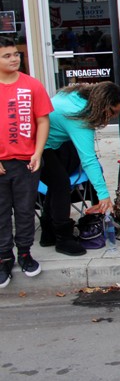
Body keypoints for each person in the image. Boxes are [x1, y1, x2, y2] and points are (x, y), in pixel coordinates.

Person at [40, 82, 120, 256]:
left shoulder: (76, 95)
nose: (111, 119)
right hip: (38, 147)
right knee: (61, 185)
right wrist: (103, 195)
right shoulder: (79, 118)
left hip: (51, 144)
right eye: (112, 113)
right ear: (102, 105)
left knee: (56, 183)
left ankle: (48, 234)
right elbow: (89, 160)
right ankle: (63, 239)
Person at [0, 38, 52, 286]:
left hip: (26, 161)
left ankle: (24, 253)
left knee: (24, 209)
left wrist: (38, 152)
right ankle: (3, 258)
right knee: (1, 213)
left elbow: (43, 121)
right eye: (7, 56)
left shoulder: (32, 85)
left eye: (15, 54)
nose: (13, 59)